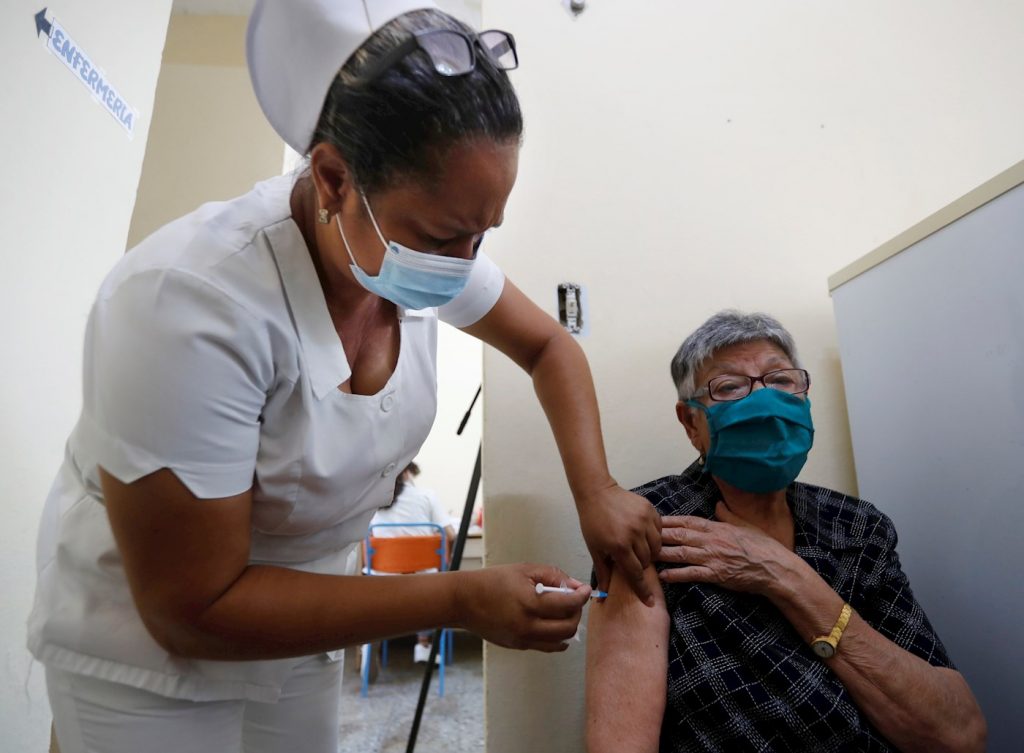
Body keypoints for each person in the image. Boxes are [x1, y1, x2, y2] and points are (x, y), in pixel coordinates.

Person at [27, 2, 661, 751]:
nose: (466, 263)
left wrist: (597, 489)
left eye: (483, 231)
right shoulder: (189, 302)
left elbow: (549, 346)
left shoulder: (417, 247)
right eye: (443, 235)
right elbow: (189, 606)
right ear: (333, 177)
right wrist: (458, 597)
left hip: (299, 629)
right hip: (145, 659)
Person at [585, 311, 986, 753]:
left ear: (805, 396)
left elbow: (959, 734)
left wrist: (784, 575)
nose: (765, 401)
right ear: (691, 424)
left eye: (780, 379)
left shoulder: (856, 528)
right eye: (730, 387)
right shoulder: (652, 529)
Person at [369, 461, 454, 662]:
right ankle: (423, 644)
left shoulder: (376, 501)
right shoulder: (427, 496)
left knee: (380, 577)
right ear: (407, 473)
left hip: (381, 583)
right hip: (423, 587)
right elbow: (450, 534)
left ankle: (370, 641)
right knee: (434, 581)